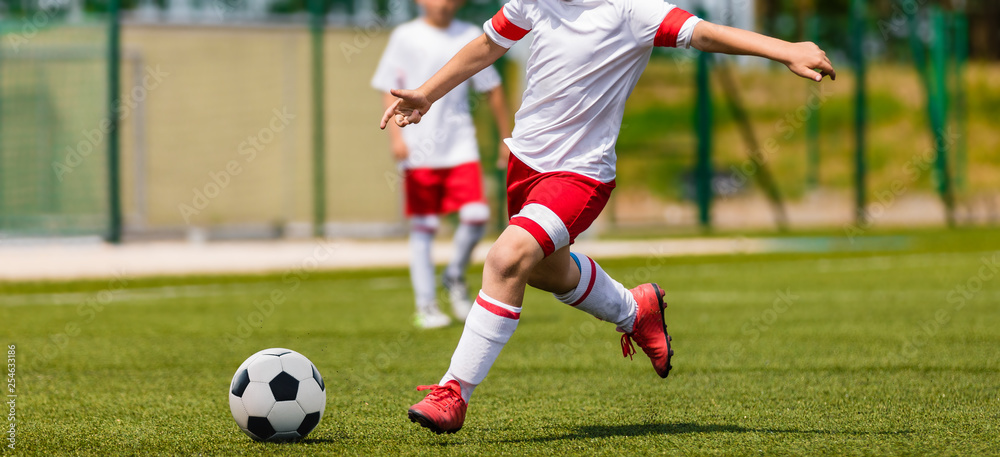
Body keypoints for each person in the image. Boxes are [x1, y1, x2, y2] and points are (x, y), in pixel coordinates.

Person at [380, 0, 835, 434]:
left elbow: (708, 34)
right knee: (542, 272)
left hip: (580, 177)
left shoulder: (634, 10)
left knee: (505, 259)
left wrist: (786, 50)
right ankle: (633, 310)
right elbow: (488, 45)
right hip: (525, 169)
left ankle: (453, 392)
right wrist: (427, 94)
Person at [371, 0, 513, 329]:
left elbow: (492, 88)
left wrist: (506, 136)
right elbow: (386, 87)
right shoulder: (405, 36)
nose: (443, 3)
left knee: (477, 216)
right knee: (424, 227)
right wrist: (396, 138)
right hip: (417, 147)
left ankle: (452, 276)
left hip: (460, 145)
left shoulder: (472, 36)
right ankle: (426, 305)